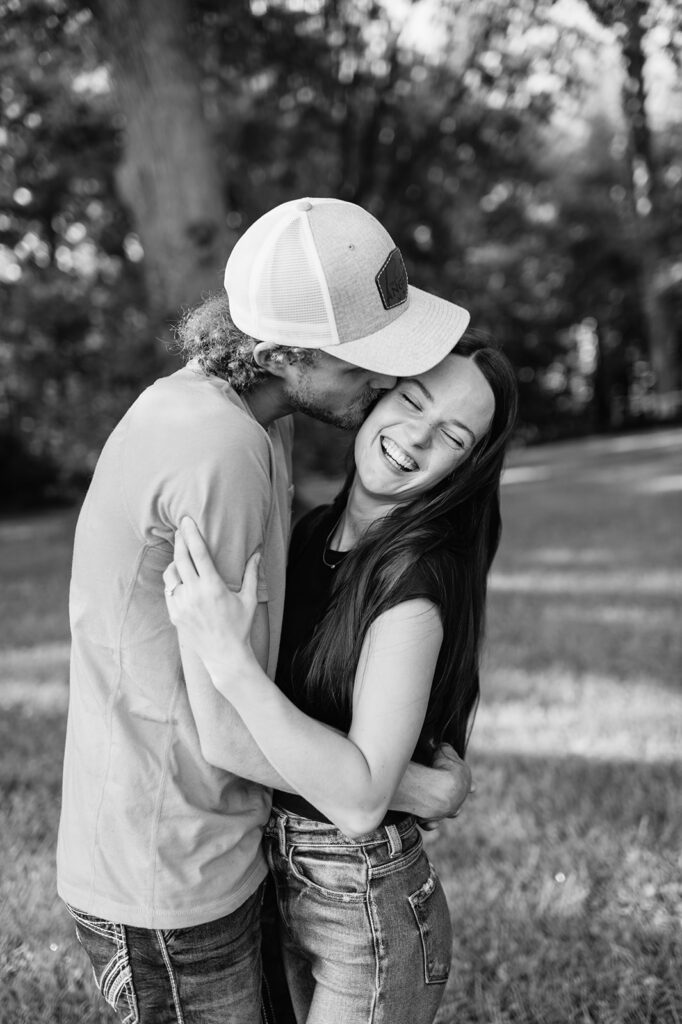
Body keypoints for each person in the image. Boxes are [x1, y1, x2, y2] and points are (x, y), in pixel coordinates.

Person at [57, 196, 474, 1023]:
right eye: (365, 360)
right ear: (284, 352)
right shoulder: (220, 452)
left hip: (209, 852)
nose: (387, 380)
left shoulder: (238, 414)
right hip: (172, 873)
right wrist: (415, 789)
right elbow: (227, 729)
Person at [163, 335, 518, 1024]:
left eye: (451, 436)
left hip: (364, 899)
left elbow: (356, 806)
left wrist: (228, 657)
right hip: (275, 876)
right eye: (414, 401)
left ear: (467, 467)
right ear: (379, 391)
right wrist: (424, 786)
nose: (415, 439)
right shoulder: (309, 534)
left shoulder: (414, 582)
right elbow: (253, 739)